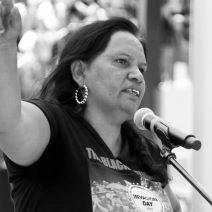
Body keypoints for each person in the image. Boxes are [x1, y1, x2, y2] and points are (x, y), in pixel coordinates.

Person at [0, 0, 181, 211]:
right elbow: (7, 124)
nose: (137, 76)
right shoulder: (53, 125)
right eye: (122, 61)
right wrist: (5, 44)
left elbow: (174, 207)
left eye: (142, 68)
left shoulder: (146, 151)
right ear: (79, 72)